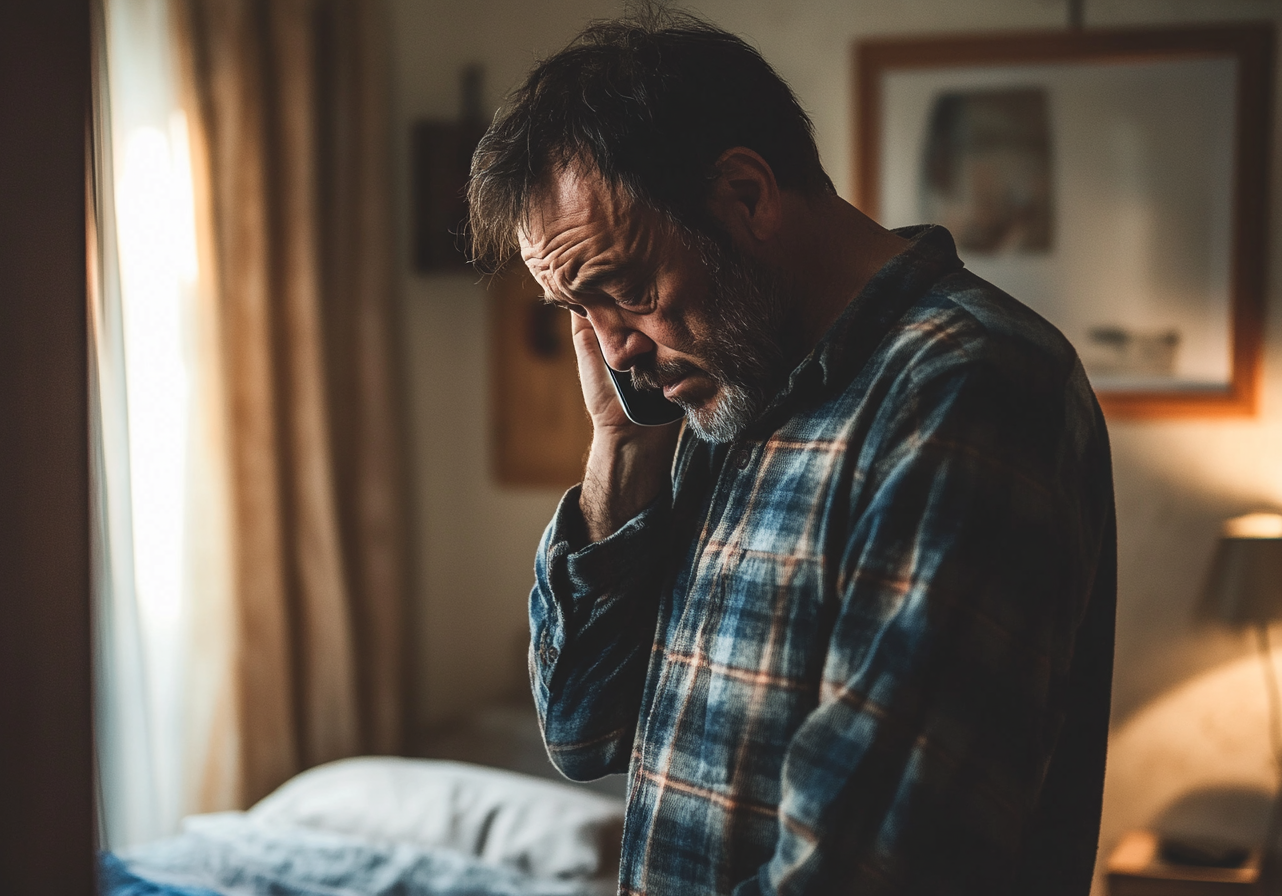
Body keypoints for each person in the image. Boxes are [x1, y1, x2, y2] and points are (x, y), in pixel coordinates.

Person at [467, 10, 1116, 896]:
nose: (614, 348)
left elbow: (871, 867)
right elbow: (581, 731)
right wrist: (618, 448)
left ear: (747, 195)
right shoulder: (722, 396)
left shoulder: (966, 387)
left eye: (626, 289)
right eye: (581, 312)